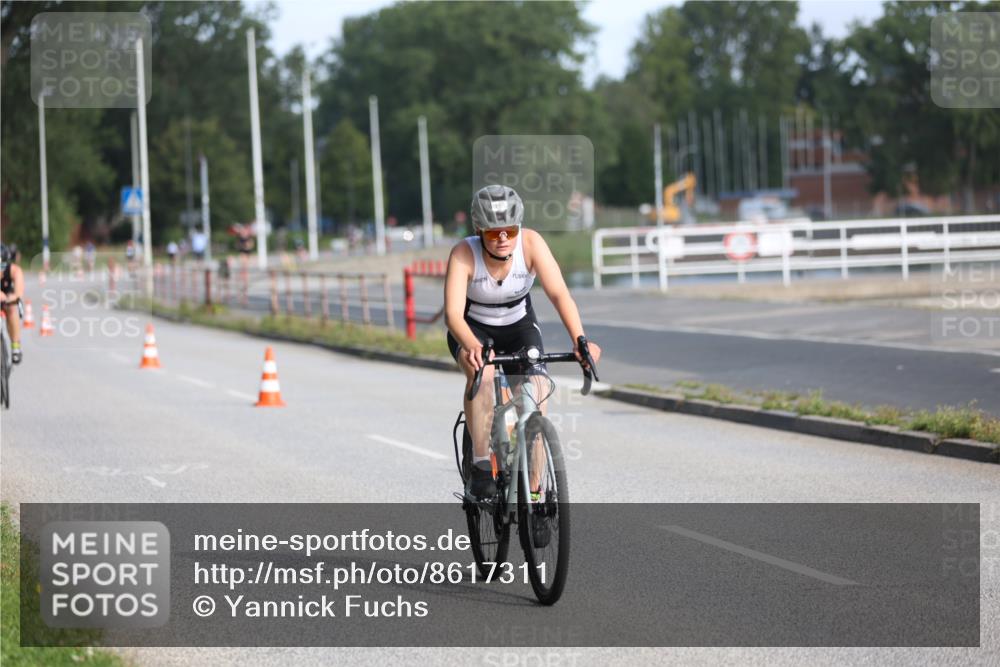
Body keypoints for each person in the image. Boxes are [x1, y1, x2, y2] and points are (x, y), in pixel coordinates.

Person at [444, 185, 601, 500]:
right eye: (493, 233)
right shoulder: (464, 253)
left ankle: (534, 493)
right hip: (473, 329)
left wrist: (580, 340)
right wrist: (471, 346)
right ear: (479, 231)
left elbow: (558, 293)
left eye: (510, 230)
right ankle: (479, 464)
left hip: (519, 326)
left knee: (535, 397)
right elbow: (452, 314)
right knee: (484, 375)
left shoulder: (531, 244)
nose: (503, 238)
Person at [1, 244, 25, 364]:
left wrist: (14, 297)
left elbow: (18, 292)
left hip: (7, 296)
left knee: (11, 308)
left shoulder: (14, 270)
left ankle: (15, 346)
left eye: (2, 265)